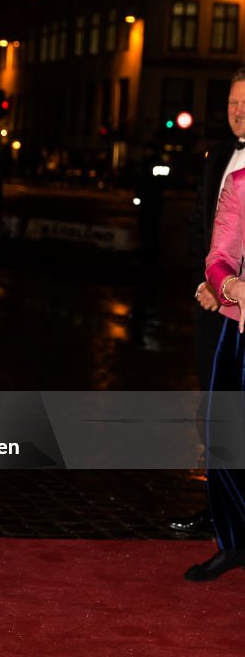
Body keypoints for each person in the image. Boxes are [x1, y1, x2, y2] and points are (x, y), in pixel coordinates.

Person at [172, 69, 245, 536]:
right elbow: (206, 231)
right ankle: (220, 508)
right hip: (212, 305)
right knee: (215, 410)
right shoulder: (216, 156)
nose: (238, 111)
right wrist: (205, 283)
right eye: (232, 103)